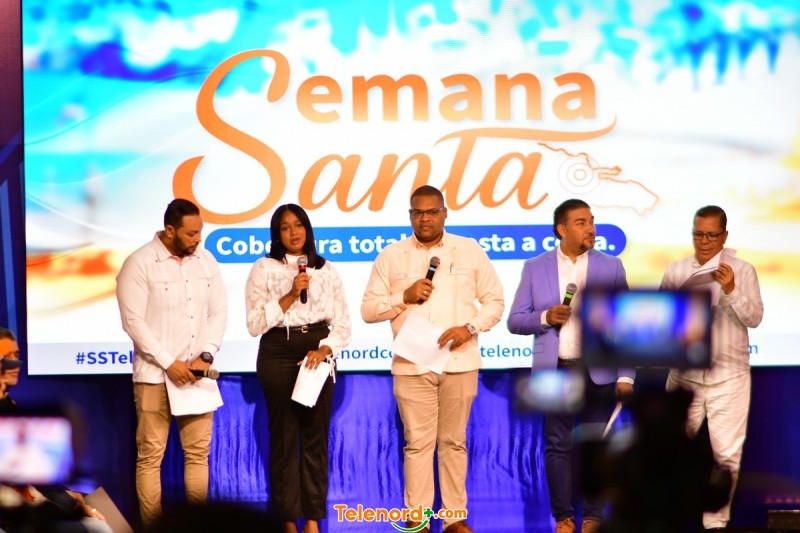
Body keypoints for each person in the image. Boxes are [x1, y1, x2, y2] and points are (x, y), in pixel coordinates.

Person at [361, 185, 505, 533]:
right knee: (417, 445)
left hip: (459, 360)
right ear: (410, 215)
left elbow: (495, 301)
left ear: (444, 213)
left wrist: (469, 328)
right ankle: (419, 520)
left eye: (431, 212)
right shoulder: (391, 255)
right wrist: (404, 296)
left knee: (454, 443)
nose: (424, 219)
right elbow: (368, 310)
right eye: (418, 213)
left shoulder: (469, 250)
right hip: (412, 364)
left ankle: (454, 519)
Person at [507, 198, 633, 533]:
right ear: (562, 229)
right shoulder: (535, 267)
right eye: (581, 222)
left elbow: (625, 324)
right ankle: (563, 518)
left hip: (598, 372)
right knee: (558, 446)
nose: (591, 228)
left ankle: (593, 518)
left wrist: (626, 374)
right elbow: (515, 321)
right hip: (556, 370)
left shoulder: (612, 266)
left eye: (592, 221)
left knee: (596, 447)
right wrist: (546, 317)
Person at [116, 198, 228, 527]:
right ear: (169, 230)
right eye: (191, 234)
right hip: (154, 375)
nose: (198, 239)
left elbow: (219, 311)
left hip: (197, 375)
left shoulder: (206, 261)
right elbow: (133, 321)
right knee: (150, 457)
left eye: (200, 232)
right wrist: (169, 362)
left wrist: (206, 354)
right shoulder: (139, 263)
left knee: (198, 454)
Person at [245, 204, 351, 533]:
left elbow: (343, 325)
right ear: (277, 234)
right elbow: (254, 324)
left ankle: (313, 521)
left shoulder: (326, 269)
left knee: (315, 440)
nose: (294, 232)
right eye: (285, 227)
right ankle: (288, 520)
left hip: (317, 352)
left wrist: (325, 349)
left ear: (307, 229)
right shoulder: (263, 268)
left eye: (299, 225)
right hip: (278, 350)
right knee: (284, 440)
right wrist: (291, 293)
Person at [660, 205, 763, 531]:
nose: (704, 241)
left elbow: (755, 318)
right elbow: (661, 322)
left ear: (725, 235)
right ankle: (672, 518)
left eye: (711, 235)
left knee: (726, 456)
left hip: (729, 376)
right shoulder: (677, 270)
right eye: (698, 234)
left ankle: (716, 523)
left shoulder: (743, 270)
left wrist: (731, 290)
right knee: (669, 449)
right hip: (684, 377)